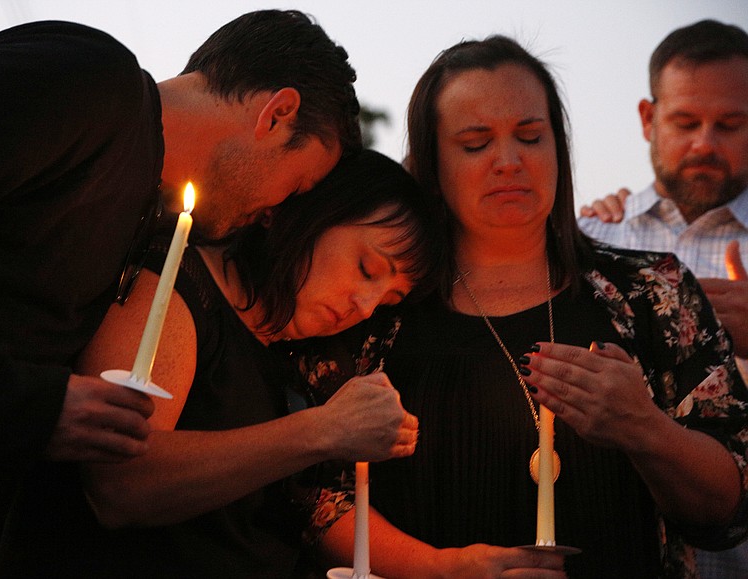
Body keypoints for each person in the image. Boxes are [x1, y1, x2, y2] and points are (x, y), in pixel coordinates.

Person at [292, 36, 748, 578]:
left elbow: (728, 508)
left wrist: (645, 428)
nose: (509, 161)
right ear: (433, 164)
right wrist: (444, 569)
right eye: (475, 143)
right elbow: (317, 500)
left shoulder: (652, 291)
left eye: (530, 136)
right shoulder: (379, 306)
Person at [0, 10, 360, 576]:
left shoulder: (150, 223)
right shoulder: (89, 82)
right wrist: (33, 404)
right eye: (299, 184)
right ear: (277, 113)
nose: (275, 215)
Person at [0, 149, 442, 577]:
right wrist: (323, 430)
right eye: (366, 268)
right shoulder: (178, 285)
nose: (365, 306)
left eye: (389, 300)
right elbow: (120, 483)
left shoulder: (301, 360)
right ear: (309, 214)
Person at [576, 21, 748, 576]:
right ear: (648, 119)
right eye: (685, 121)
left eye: (730, 124)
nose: (705, 143)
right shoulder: (591, 239)